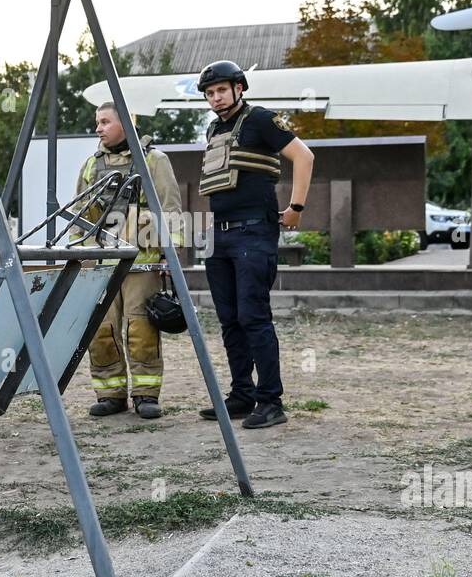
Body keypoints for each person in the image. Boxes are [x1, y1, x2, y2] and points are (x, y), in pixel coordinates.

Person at [195, 60, 314, 429]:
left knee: (253, 317)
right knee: (229, 319)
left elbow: (304, 156)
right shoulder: (215, 129)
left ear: (239, 88)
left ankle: (271, 401)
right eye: (210, 93)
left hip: (253, 232)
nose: (216, 98)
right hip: (220, 235)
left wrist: (296, 207)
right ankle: (242, 396)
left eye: (221, 90)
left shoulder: (261, 119)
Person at [74, 102, 183, 419]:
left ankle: (146, 395)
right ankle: (111, 394)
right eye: (97, 122)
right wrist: (80, 259)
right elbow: (79, 216)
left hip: (142, 263)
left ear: (126, 122)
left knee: (141, 329)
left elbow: (171, 208)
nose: (98, 128)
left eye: (105, 121)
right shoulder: (90, 167)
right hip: (102, 265)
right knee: (102, 331)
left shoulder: (154, 160)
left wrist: (169, 258)